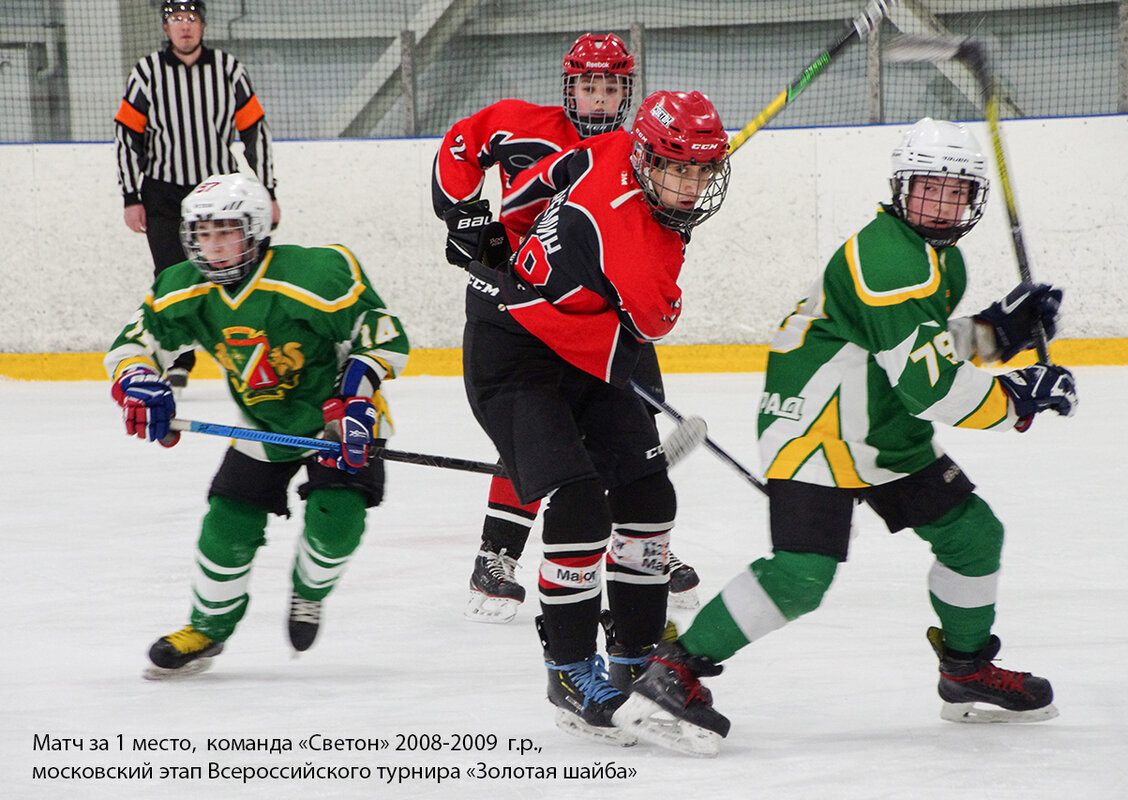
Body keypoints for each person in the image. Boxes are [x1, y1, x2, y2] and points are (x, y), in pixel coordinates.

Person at [614, 118, 1078, 757]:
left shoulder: (936, 256)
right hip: (816, 422)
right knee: (803, 574)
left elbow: (917, 345)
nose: (940, 204)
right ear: (900, 188)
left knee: (973, 536)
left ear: (971, 202)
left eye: (954, 192)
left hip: (881, 423)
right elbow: (932, 388)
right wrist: (1019, 398)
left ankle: (965, 673)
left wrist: (998, 332)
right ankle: (673, 674)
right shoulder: (887, 258)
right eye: (927, 189)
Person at [461, 90, 731, 744]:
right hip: (516, 355)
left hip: (578, 337)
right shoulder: (636, 253)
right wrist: (665, 229)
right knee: (581, 500)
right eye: (676, 169)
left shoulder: (610, 148)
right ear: (645, 158)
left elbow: (540, 183)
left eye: (701, 171)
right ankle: (570, 667)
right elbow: (654, 320)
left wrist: (506, 234)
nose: (690, 187)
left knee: (647, 493)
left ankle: (636, 659)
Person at [432, 33, 700, 624]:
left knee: (631, 417)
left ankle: (632, 538)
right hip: (520, 306)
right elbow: (460, 143)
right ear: (568, 87)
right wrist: (462, 214)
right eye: (587, 87)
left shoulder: (640, 152)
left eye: (610, 89)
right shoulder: (522, 125)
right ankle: (496, 555)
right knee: (539, 433)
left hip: (594, 313)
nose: (598, 101)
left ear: (626, 92)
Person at [104, 173, 408, 680]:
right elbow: (135, 343)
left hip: (339, 419)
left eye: (226, 232)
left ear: (257, 229)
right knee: (226, 524)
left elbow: (382, 336)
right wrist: (139, 381)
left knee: (338, 521)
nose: (214, 247)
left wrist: (354, 398)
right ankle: (208, 628)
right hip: (263, 421)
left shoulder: (315, 275)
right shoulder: (183, 287)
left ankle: (309, 594)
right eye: (203, 234)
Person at [115, 0, 281, 395]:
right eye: (175, 20)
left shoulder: (228, 68)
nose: (184, 27)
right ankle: (177, 359)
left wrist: (269, 190)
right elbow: (127, 137)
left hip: (220, 193)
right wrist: (130, 196)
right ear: (165, 27)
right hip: (163, 192)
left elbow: (255, 130)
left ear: (203, 26)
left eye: (190, 19)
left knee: (243, 268)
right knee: (171, 276)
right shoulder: (146, 72)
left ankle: (252, 346)